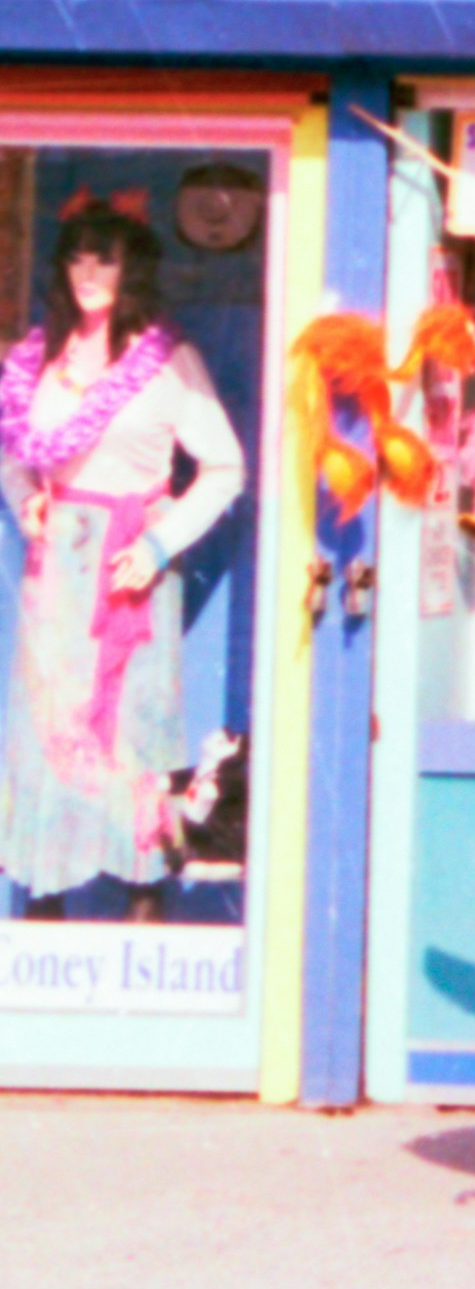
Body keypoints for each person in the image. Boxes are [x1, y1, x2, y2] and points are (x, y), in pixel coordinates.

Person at [1, 202, 247, 916]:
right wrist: (27, 498)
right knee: (45, 736)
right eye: (77, 256)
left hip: (126, 579)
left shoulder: (169, 363)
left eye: (104, 257)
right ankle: (43, 915)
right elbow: (15, 455)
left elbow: (225, 468)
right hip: (53, 582)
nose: (88, 272)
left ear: (131, 268)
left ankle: (143, 913)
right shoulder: (35, 359)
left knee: (131, 739)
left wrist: (159, 543)